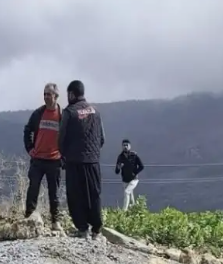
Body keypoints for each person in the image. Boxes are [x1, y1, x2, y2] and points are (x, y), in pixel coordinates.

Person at [59, 80, 105, 239]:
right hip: (93, 161)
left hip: (74, 161)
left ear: (71, 94)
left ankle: (82, 229)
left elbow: (61, 139)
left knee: (76, 195)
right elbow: (102, 138)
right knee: (94, 194)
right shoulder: (96, 112)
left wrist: (63, 156)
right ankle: (97, 230)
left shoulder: (69, 112)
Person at [23, 83, 63, 229]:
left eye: (49, 94)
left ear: (56, 96)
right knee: (33, 189)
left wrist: (63, 156)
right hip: (38, 159)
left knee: (54, 192)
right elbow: (27, 131)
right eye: (44, 94)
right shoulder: (38, 113)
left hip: (54, 160)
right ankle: (29, 218)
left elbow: (69, 137)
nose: (46, 97)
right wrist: (30, 148)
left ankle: (55, 221)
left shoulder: (62, 115)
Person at [115, 139, 144, 210]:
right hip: (125, 180)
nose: (125, 147)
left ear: (130, 146)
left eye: (126, 145)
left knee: (126, 192)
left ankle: (124, 211)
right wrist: (119, 167)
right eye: (124, 145)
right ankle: (134, 209)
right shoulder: (120, 157)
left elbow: (141, 166)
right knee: (130, 195)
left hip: (134, 179)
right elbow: (116, 171)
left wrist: (135, 172)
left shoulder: (134, 155)